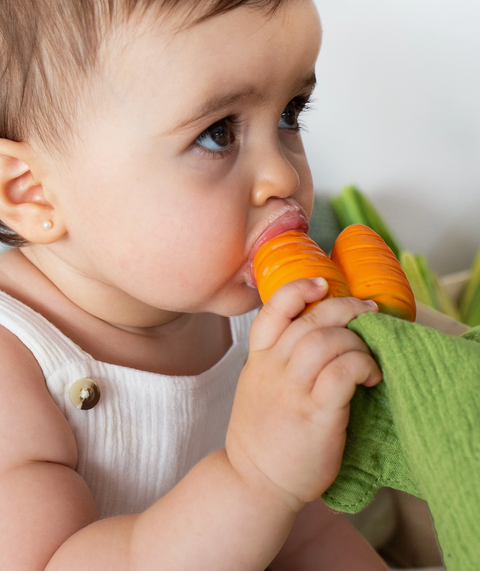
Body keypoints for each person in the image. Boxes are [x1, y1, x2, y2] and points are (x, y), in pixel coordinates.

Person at [0, 0, 387, 569]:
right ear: (34, 193)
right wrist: (255, 479)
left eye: (290, 113)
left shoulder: (255, 305)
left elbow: (308, 535)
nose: (284, 174)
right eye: (217, 133)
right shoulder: (16, 364)